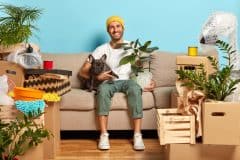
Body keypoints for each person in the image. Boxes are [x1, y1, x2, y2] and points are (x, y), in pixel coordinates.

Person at [79, 15, 155, 150]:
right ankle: (103, 135)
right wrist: (97, 77)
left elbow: (140, 69)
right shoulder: (100, 49)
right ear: (108, 31)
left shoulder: (132, 47)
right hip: (110, 81)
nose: (115, 30)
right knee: (102, 91)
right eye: (111, 27)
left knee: (135, 90)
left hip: (128, 81)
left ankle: (137, 135)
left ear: (123, 28)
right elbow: (82, 72)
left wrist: (148, 81)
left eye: (118, 26)